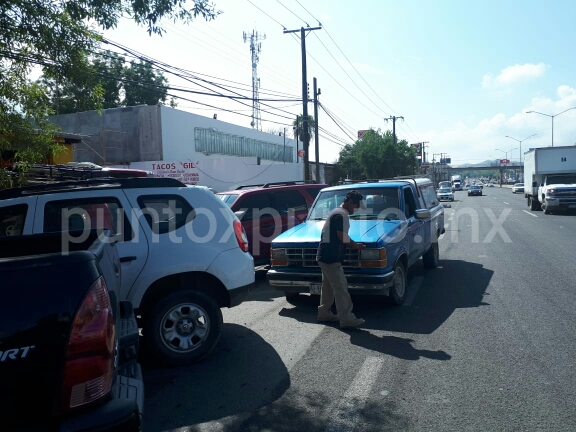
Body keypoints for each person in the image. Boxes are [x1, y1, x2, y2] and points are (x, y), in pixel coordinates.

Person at [316, 190, 366, 328]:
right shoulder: (341, 215)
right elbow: (341, 236)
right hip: (331, 257)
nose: (356, 210)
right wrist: (355, 245)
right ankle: (346, 318)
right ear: (350, 202)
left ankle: (324, 312)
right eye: (356, 206)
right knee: (341, 287)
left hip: (324, 255)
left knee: (328, 287)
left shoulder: (337, 212)